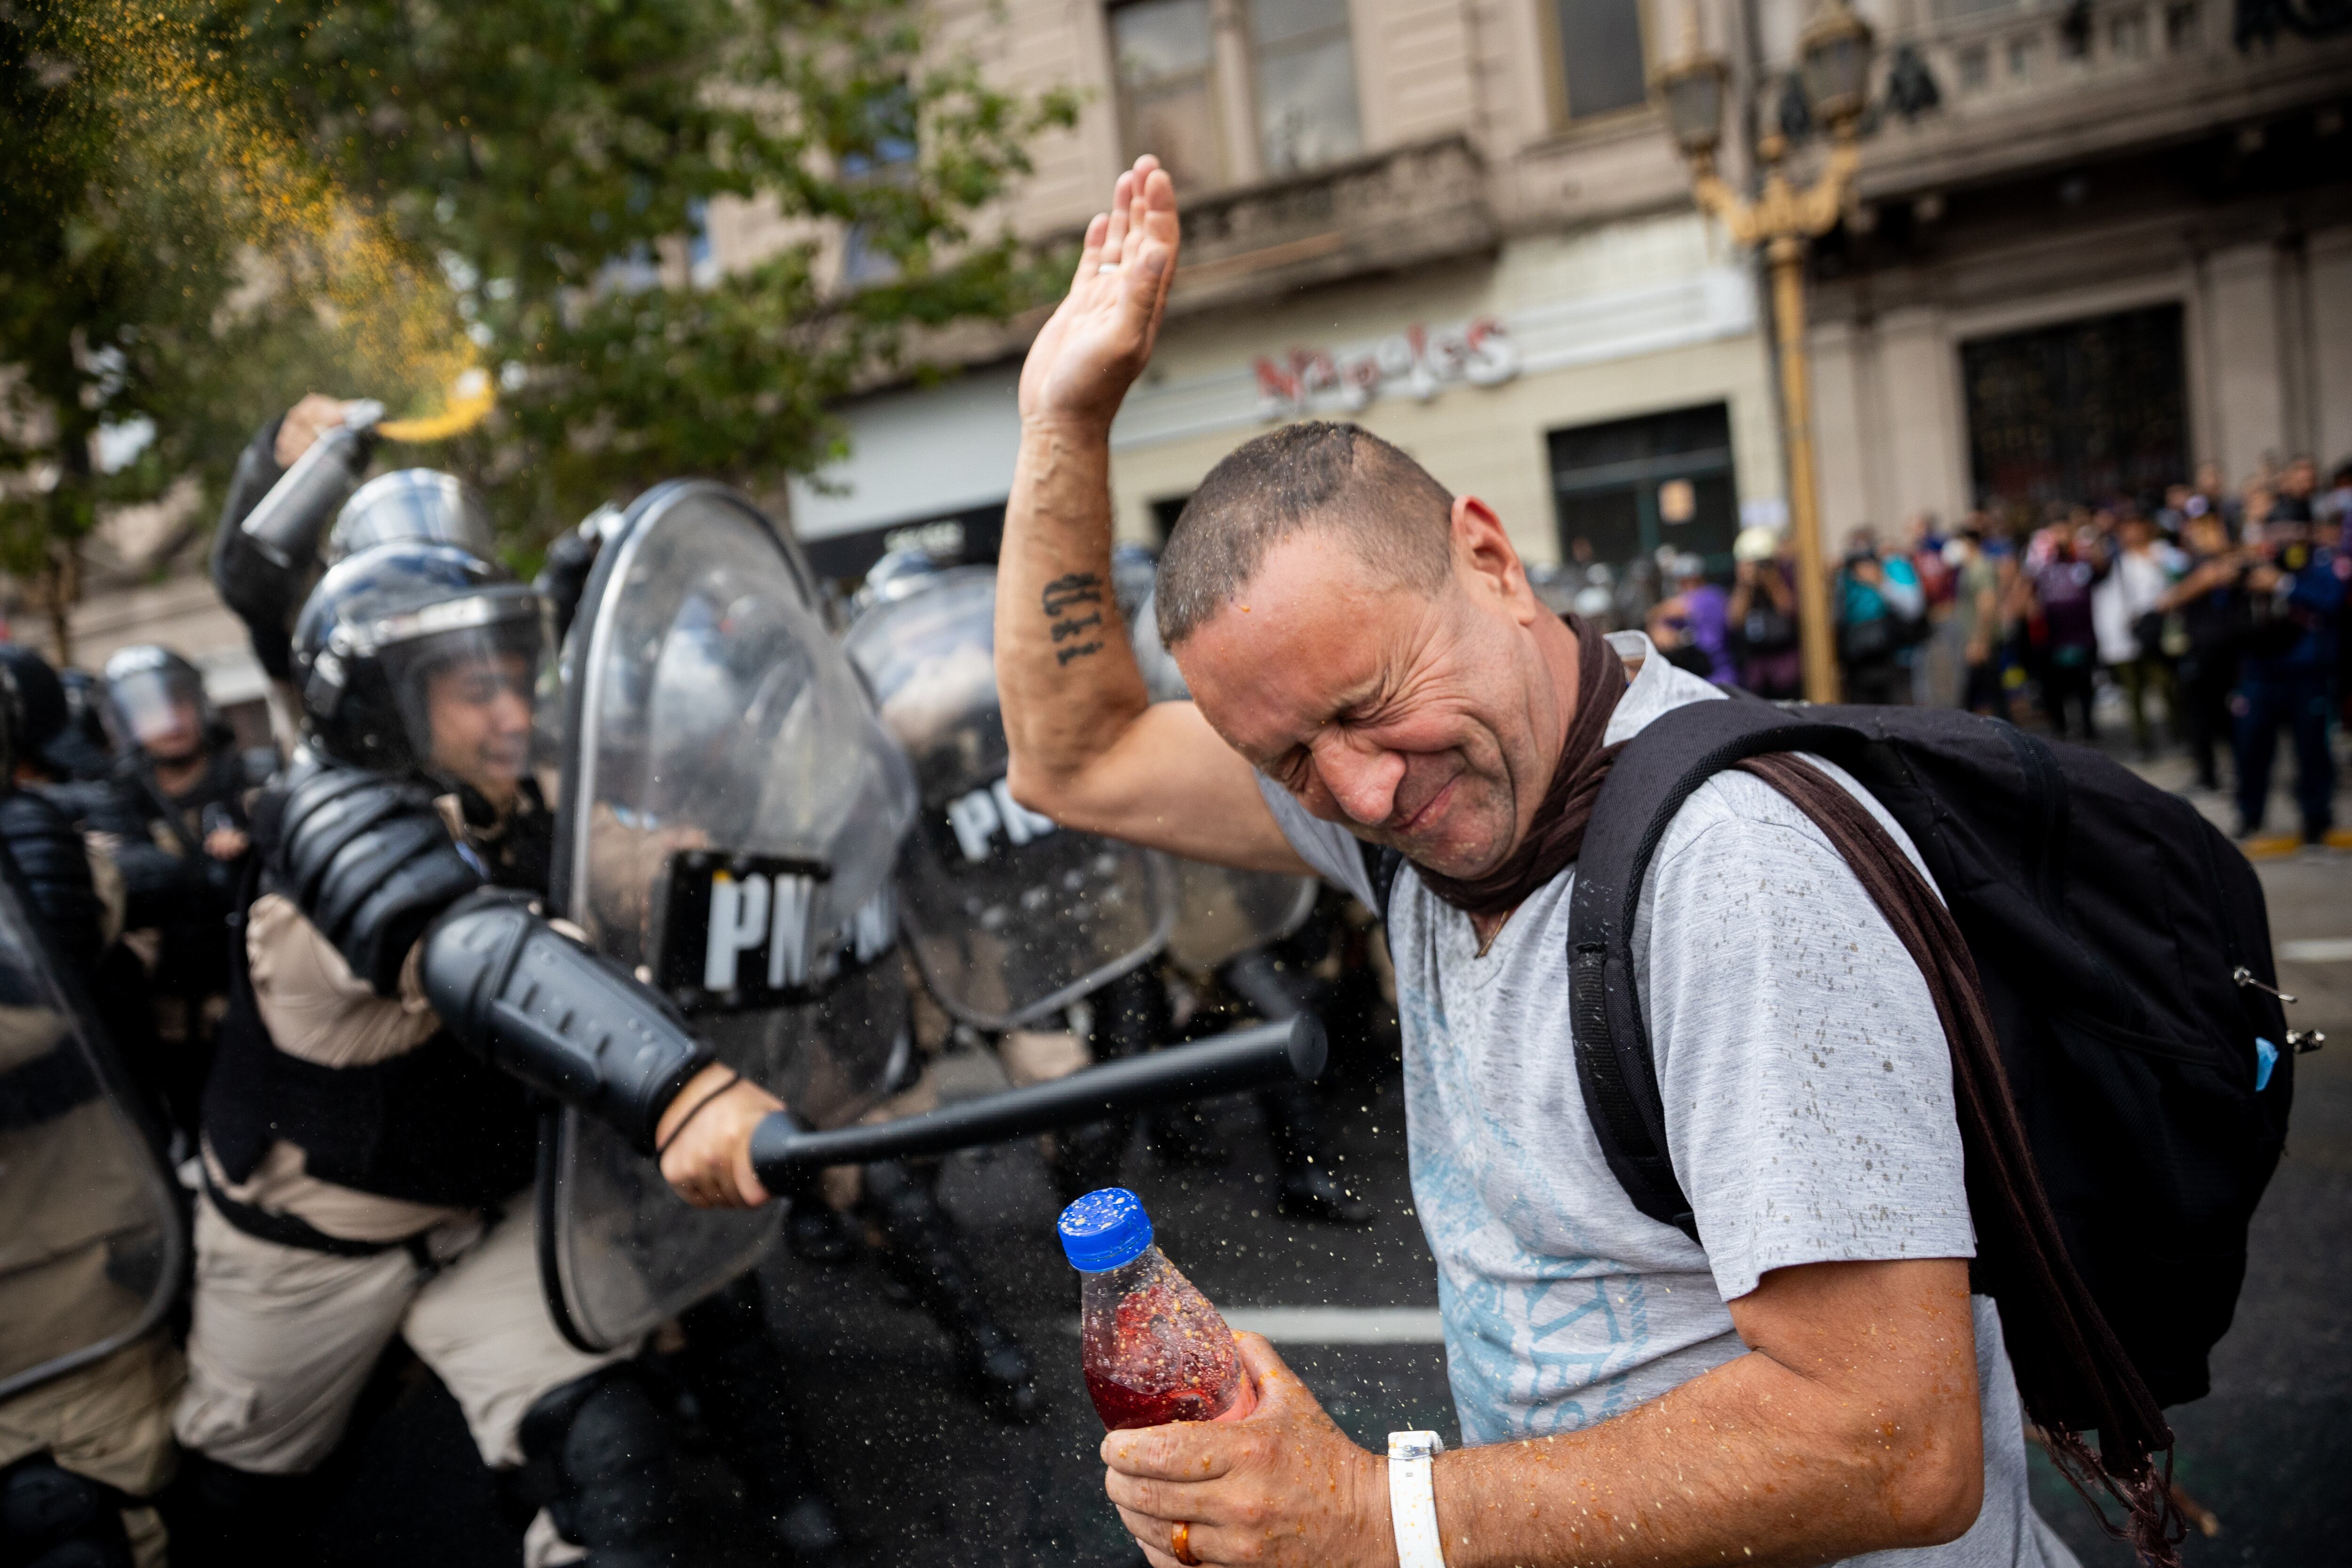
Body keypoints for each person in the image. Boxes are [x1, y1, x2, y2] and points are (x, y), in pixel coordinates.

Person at [998, 156, 2064, 1568]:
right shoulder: (1427, 801)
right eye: (1290, 759)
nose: (1363, 793)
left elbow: (1893, 1442)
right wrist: (1061, 419)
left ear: (1491, 561)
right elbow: (1072, 755)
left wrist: (1373, 1518)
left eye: (1370, 701)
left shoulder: (1731, 872)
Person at [167, 540, 786, 1568]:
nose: (510, 713)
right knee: (239, 1502)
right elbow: (464, 942)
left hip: (485, 1222)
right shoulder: (322, 866)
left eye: (514, 679)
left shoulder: (517, 798)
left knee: (613, 1459)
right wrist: (685, 1093)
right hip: (313, 1247)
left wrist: (730, 873)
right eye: (472, 691)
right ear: (387, 708)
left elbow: (638, 862)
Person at [79, 645, 271, 1139]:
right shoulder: (117, 802)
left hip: (263, 995)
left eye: (177, 702)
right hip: (175, 1020)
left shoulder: (251, 780)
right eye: (148, 708)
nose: (169, 720)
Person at [2229, 509, 2344, 843]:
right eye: (2275, 531)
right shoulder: (2253, 565)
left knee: (2312, 750)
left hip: (2307, 674)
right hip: (2259, 674)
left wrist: (2283, 584)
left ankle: (2317, 818)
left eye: (2290, 530)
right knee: (2251, 748)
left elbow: (2332, 601)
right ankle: (2250, 815)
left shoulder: (2319, 565)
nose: (2282, 539)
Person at [2090, 510, 2181, 759]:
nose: (2131, 534)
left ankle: (2180, 734)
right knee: (2133, 693)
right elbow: (2095, 564)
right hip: (2122, 638)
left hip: (2156, 633)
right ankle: (2144, 743)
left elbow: (2179, 574)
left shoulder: (2162, 553)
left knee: (2167, 685)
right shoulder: (2114, 559)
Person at [2026, 524, 2102, 739]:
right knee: (2056, 688)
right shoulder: (2041, 568)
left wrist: (2087, 543)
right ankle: (2061, 730)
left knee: (2084, 685)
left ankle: (2088, 727)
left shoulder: (2082, 565)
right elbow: (2028, 594)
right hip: (2053, 640)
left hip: (2082, 636)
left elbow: (2101, 568)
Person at [1831, 526, 1922, 704]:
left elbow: (1913, 608)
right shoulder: (1844, 577)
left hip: (1892, 657)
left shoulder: (1892, 567)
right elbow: (1837, 616)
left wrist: (1880, 581)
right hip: (1858, 661)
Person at [1723, 527, 1800, 698]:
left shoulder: (1786, 578)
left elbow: (1789, 611)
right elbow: (1734, 621)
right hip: (1757, 670)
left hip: (1786, 668)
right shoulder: (1740, 587)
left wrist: (1771, 580)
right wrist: (1745, 585)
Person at [1948, 523, 2010, 717]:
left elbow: (1987, 605)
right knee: (1986, 691)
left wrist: (1980, 642)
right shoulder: (1969, 569)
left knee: (1983, 692)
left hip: (1982, 641)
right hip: (1975, 640)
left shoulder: (1980, 568)